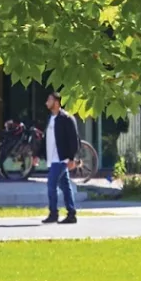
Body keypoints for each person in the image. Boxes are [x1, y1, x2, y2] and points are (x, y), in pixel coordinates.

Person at [42, 92, 80, 225]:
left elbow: (74, 140)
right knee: (65, 185)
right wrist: (37, 154)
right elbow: (46, 140)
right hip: (52, 159)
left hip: (62, 159)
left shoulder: (67, 118)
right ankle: (71, 214)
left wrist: (72, 158)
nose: (47, 102)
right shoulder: (51, 118)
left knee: (51, 185)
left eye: (49, 99)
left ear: (57, 102)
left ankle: (53, 213)